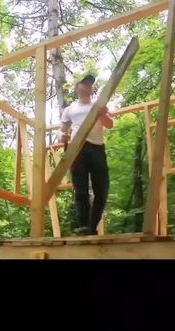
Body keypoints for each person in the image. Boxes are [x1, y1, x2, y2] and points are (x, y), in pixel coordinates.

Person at [57, 74, 113, 236]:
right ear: (77, 88)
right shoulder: (69, 110)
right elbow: (63, 130)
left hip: (97, 149)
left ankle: (92, 226)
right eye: (85, 83)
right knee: (80, 190)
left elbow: (109, 124)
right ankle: (83, 226)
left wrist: (102, 114)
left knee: (102, 189)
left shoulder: (99, 105)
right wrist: (62, 136)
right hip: (77, 149)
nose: (88, 86)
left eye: (90, 84)